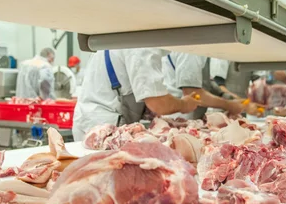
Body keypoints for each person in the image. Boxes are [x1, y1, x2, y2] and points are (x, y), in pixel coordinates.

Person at [72, 48, 201, 141]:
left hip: (88, 122)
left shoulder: (121, 38)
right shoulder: (142, 45)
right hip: (104, 132)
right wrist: (185, 104)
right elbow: (158, 103)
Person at [162, 54, 262, 117]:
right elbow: (192, 91)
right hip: (179, 115)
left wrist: (229, 97)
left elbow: (208, 82)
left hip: (192, 116)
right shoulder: (192, 51)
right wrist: (229, 105)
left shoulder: (203, 52)